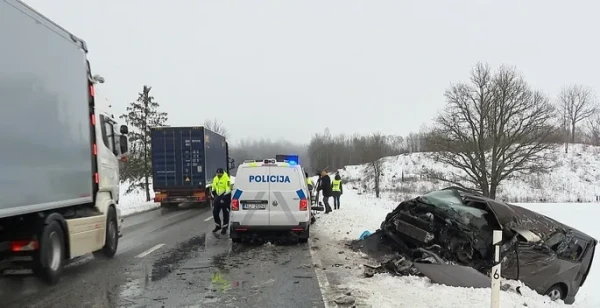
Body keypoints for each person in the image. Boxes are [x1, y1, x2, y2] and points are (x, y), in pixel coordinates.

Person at [211, 168, 231, 234]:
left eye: (220, 173)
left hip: (225, 196)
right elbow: (213, 187)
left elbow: (228, 189)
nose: (218, 175)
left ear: (222, 173)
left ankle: (225, 228)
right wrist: (214, 194)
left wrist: (223, 198)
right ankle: (218, 226)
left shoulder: (226, 179)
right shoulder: (215, 178)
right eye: (217, 173)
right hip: (217, 196)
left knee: (225, 212)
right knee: (215, 212)